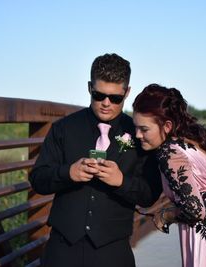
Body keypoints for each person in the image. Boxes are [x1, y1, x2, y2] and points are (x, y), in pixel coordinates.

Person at [29, 53, 162, 267]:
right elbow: (37, 179)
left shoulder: (139, 135)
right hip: (62, 248)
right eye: (99, 95)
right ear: (90, 87)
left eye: (115, 98)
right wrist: (68, 173)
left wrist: (121, 181)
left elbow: (149, 195)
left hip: (114, 251)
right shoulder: (64, 128)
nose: (106, 103)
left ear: (127, 92)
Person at [132, 84, 206, 267]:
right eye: (135, 128)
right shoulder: (194, 139)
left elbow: (195, 210)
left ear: (167, 126)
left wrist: (165, 216)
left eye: (144, 129)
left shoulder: (169, 153)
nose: (137, 135)